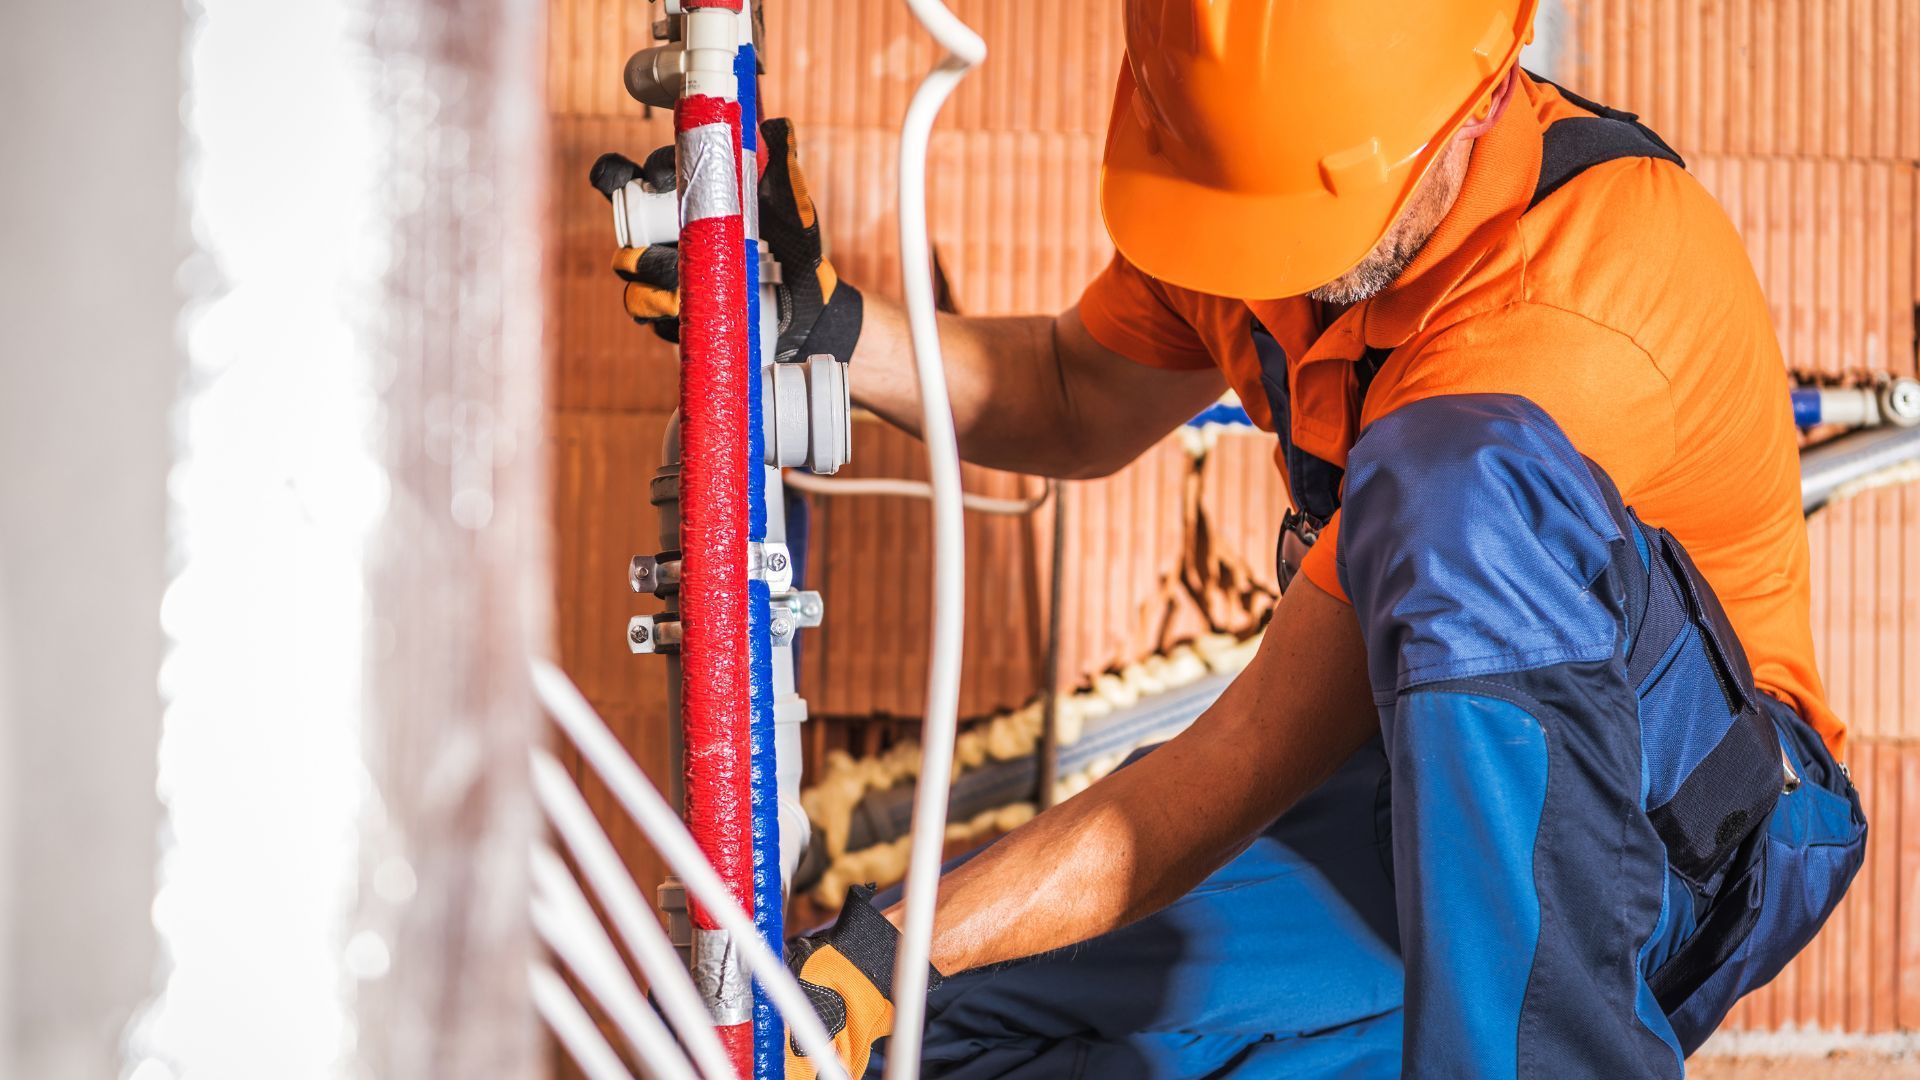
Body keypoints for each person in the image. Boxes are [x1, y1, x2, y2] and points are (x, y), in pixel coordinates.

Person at [595, 1, 1867, 1074]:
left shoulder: (1577, 296)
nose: (1283, 269)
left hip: (1687, 824)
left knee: (1456, 485)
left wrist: (894, 937)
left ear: (1480, 95)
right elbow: (1073, 389)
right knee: (954, 1042)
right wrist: (832, 327)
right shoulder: (1252, 190)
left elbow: (1245, 750)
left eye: (1311, 223)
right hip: (1407, 793)